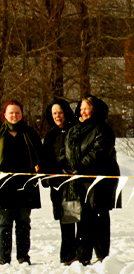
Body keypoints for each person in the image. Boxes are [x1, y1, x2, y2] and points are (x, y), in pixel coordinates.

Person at [63, 95, 121, 265]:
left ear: (95, 110)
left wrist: (80, 167)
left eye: (86, 108)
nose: (83, 112)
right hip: (77, 180)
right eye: (81, 109)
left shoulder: (103, 129)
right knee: (81, 217)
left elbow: (99, 152)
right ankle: (82, 255)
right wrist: (65, 166)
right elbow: (64, 151)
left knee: (99, 217)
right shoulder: (73, 130)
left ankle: (102, 256)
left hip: (98, 181)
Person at [0, 100, 42, 265]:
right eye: (11, 113)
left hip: (25, 185)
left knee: (23, 223)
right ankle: (3, 257)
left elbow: (40, 156)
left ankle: (23, 257)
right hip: (3, 187)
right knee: (4, 224)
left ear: (22, 114)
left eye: (17, 112)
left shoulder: (30, 133)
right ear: (5, 115)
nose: (14, 116)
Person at [41, 99, 79, 264]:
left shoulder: (76, 131)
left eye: (60, 112)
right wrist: (46, 178)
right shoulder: (50, 136)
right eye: (54, 113)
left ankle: (82, 254)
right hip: (58, 184)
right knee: (65, 221)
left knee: (81, 220)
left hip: (76, 182)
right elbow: (45, 160)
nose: (58, 116)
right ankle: (67, 256)